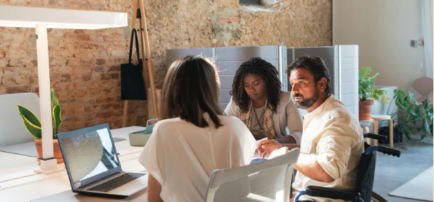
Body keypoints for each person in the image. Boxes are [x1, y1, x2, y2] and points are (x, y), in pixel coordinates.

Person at [138, 55, 256, 202]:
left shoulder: (164, 130)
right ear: (212, 88)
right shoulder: (235, 125)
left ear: (172, 89)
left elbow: (154, 199)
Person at [258, 56, 364, 202]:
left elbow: (328, 170)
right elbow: (314, 149)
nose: (294, 90)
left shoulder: (336, 118)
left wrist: (284, 153)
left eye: (301, 82)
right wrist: (280, 146)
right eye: (292, 84)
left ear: (322, 84)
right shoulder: (321, 113)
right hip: (307, 196)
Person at [225, 57, 303, 144]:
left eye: (256, 84)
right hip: (246, 150)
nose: (251, 89)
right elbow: (224, 128)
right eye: (246, 85)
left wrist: (276, 142)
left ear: (267, 81)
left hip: (275, 150)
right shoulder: (237, 101)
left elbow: (299, 133)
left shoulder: (285, 99)